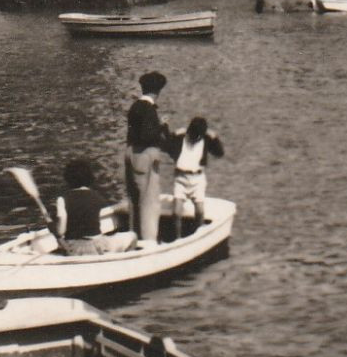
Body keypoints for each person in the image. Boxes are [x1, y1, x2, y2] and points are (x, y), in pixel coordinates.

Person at [125, 71, 174, 244]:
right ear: (158, 91)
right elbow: (147, 136)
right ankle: (149, 240)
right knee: (149, 201)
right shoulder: (149, 109)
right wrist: (162, 126)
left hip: (131, 153)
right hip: (144, 155)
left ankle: (133, 235)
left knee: (134, 198)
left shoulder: (135, 106)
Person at [52, 159, 136, 256]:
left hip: (74, 248)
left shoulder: (62, 199)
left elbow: (61, 231)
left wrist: (53, 226)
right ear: (89, 177)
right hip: (97, 246)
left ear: (68, 179)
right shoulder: (96, 196)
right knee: (132, 236)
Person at [166, 117, 224, 238]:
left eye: (199, 137)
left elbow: (219, 153)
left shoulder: (206, 139)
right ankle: (177, 238)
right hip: (181, 178)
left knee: (200, 211)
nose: (196, 139)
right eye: (194, 136)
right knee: (176, 213)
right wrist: (169, 131)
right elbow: (166, 146)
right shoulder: (181, 137)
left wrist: (215, 137)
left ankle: (199, 236)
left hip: (197, 179)